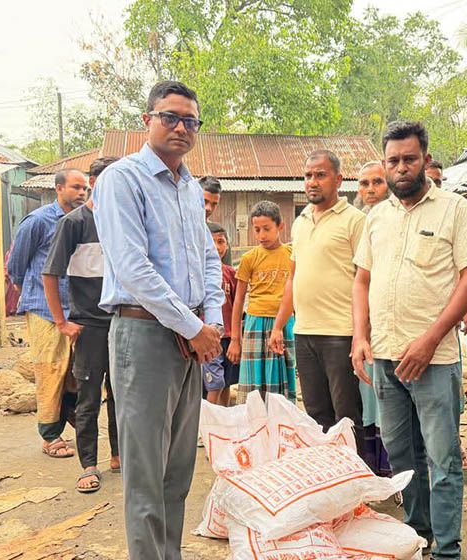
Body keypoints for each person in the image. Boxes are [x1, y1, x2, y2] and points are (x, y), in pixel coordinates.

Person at [93, 80, 224, 560]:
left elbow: (209, 260)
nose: (181, 128)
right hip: (145, 334)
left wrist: (211, 322)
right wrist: (192, 328)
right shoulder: (122, 180)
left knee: (178, 473)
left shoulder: (191, 187)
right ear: (147, 119)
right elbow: (132, 268)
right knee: (146, 476)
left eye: (190, 120)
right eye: (169, 117)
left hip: (192, 336)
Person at [352, 121, 467, 559]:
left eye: (410, 159)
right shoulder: (377, 217)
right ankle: (418, 537)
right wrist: (360, 337)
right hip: (385, 359)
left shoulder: (453, 209)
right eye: (393, 161)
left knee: (443, 463)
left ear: (425, 160)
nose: (401, 168)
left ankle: (447, 550)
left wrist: (430, 339)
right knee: (402, 459)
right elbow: (362, 280)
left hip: (434, 360)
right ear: (384, 165)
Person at [269, 150, 365, 448]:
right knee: (315, 415)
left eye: (320, 175)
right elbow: (292, 278)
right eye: (308, 175)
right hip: (304, 333)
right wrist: (278, 326)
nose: (312, 181)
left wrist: (363, 334)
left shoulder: (355, 221)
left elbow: (366, 280)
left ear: (338, 179)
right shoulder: (300, 222)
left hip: (340, 333)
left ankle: (355, 485)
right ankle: (330, 483)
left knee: (347, 417)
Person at [42, 157, 120, 493]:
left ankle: (119, 456)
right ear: (93, 182)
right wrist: (62, 322)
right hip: (88, 326)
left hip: (122, 323)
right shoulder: (74, 223)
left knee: (122, 396)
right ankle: (89, 464)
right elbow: (50, 272)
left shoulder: (122, 222)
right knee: (88, 398)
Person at [8, 168, 88, 458]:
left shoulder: (83, 221)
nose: (81, 193)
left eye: (85, 188)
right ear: (58, 188)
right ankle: (50, 436)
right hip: (44, 308)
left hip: (76, 308)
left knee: (75, 371)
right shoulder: (39, 221)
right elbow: (17, 263)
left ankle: (72, 421)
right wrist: (26, 291)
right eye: (76, 187)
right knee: (50, 368)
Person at [227, 201, 296, 403]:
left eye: (267, 229)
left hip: (284, 323)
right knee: (253, 382)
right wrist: (235, 340)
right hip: (254, 323)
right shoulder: (249, 258)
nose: (261, 235)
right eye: (257, 230)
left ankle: (281, 423)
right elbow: (239, 300)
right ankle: (253, 426)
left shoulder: (292, 255)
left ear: (280, 226)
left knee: (282, 376)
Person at [352, 160, 393, 474]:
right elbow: (358, 279)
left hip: (394, 322)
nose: (370, 190)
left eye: (377, 182)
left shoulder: (398, 218)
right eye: (364, 184)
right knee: (368, 398)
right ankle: (373, 468)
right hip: (362, 323)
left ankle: (396, 470)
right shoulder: (357, 222)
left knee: (391, 401)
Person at [204, 222, 238, 405]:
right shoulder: (200, 273)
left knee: (226, 381)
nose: (217, 247)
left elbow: (236, 305)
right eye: (212, 241)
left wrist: (235, 339)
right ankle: (210, 423)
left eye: (221, 241)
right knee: (214, 382)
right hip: (208, 335)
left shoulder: (231, 273)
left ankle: (223, 419)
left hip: (228, 336)